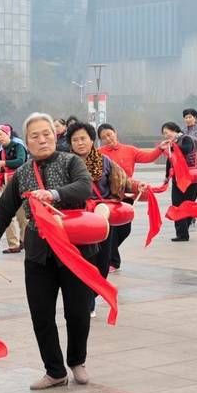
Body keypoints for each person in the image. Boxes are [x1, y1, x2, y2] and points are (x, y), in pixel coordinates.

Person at [0, 112, 95, 390]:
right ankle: (54, 370)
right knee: (41, 313)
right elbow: (3, 211)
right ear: (26, 142)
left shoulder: (71, 161)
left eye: (47, 134)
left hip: (74, 246)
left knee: (77, 312)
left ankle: (77, 360)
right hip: (39, 251)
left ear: (55, 137)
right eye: (35, 136)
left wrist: (54, 194)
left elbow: (84, 187)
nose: (42, 140)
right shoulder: (22, 174)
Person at [68, 122, 144, 316]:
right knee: (84, 262)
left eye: (83, 138)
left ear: (92, 140)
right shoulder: (65, 163)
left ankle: (90, 296)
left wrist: (136, 188)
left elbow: (123, 181)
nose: (80, 143)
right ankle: (86, 303)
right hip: (79, 219)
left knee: (101, 265)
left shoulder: (104, 161)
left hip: (102, 218)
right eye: (75, 140)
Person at [97, 123, 162, 271]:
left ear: (115, 132)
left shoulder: (129, 150)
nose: (108, 138)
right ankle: (112, 261)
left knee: (125, 229)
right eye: (103, 137)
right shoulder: (99, 154)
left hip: (128, 194)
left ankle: (107, 254)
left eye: (109, 134)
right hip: (111, 198)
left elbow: (148, 157)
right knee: (112, 229)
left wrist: (160, 149)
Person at [161, 121, 197, 242]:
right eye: (164, 134)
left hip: (190, 177)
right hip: (178, 177)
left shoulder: (186, 139)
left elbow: (185, 150)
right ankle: (182, 233)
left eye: (166, 132)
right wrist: (167, 176)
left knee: (187, 204)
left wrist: (172, 147)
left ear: (174, 130)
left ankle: (184, 231)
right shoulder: (172, 143)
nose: (165, 136)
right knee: (177, 204)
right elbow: (170, 161)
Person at [0, 124, 29, 254]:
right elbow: (2, 170)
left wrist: (5, 163)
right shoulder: (1, 151)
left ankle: (25, 240)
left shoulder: (18, 146)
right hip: (7, 184)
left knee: (22, 215)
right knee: (8, 215)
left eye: (0, 134)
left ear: (8, 133)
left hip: (20, 183)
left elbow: (21, 161)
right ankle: (13, 244)